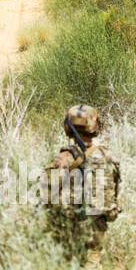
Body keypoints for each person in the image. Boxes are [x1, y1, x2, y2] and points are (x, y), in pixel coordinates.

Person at [41, 104, 121, 260]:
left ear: (68, 128)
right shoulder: (108, 156)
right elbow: (114, 198)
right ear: (96, 126)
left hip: (69, 235)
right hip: (97, 233)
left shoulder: (64, 159)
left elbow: (46, 199)